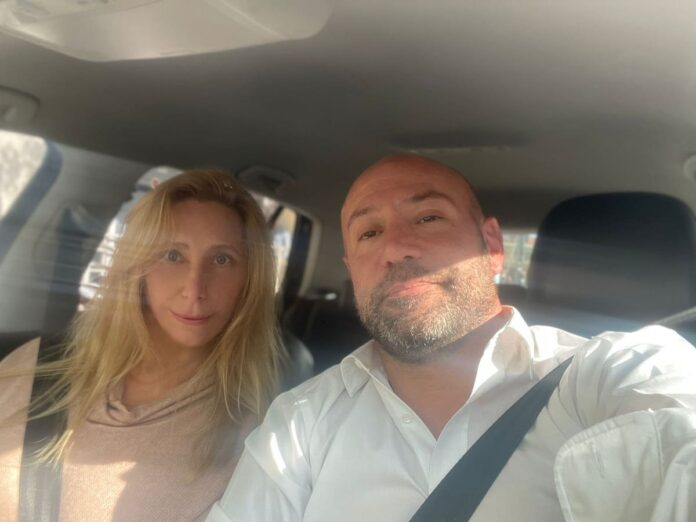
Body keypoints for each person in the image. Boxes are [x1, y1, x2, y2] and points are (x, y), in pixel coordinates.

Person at [208, 155, 696, 522]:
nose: (396, 247)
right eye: (369, 233)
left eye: (428, 218)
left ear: (492, 246)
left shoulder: (612, 373)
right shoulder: (300, 421)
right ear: (352, 271)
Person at [0, 169, 282, 521]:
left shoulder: (256, 439)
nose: (194, 289)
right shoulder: (39, 365)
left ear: (249, 280)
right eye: (173, 255)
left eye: (222, 259)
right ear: (139, 266)